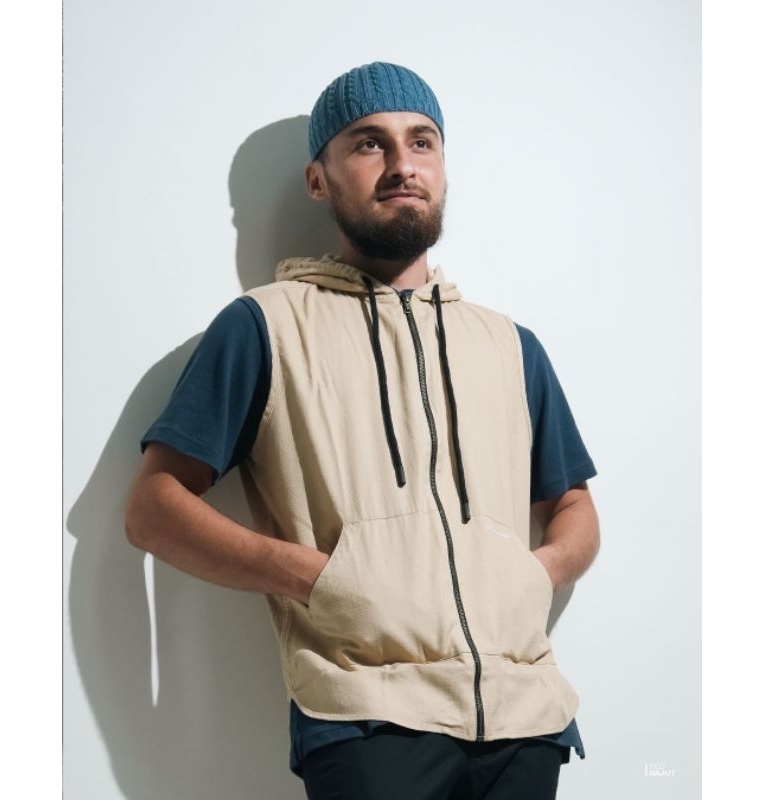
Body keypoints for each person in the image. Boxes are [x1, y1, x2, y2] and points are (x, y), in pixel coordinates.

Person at [126, 61, 600, 800]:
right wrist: (319, 580)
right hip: (365, 720)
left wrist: (534, 575)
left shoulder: (510, 345)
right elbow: (153, 509)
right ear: (319, 180)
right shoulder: (267, 327)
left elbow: (573, 505)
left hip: (526, 717)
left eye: (422, 141)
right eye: (369, 143)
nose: (402, 164)